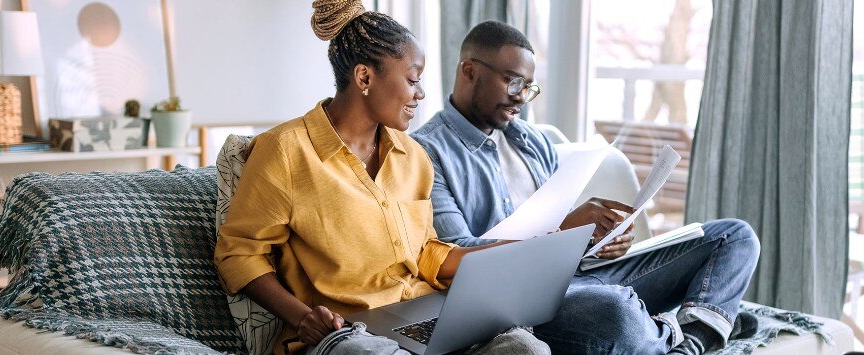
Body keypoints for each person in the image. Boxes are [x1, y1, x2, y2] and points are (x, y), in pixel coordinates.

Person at [214, 3, 548, 354]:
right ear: (365, 78)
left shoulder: (414, 157)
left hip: (422, 313)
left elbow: (424, 252)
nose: (420, 94)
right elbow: (238, 254)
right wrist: (303, 317)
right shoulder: (285, 151)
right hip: (346, 333)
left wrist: (499, 256)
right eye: (413, 79)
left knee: (526, 347)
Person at [410, 21, 761, 354]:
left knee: (734, 236)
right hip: (518, 304)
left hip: (583, 276)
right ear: (469, 71)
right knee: (616, 314)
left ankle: (682, 334)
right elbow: (455, 258)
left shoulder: (532, 141)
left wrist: (599, 239)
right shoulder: (426, 152)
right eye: (512, 82)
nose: (521, 98)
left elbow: (560, 228)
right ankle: (701, 329)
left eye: (529, 87)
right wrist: (563, 230)